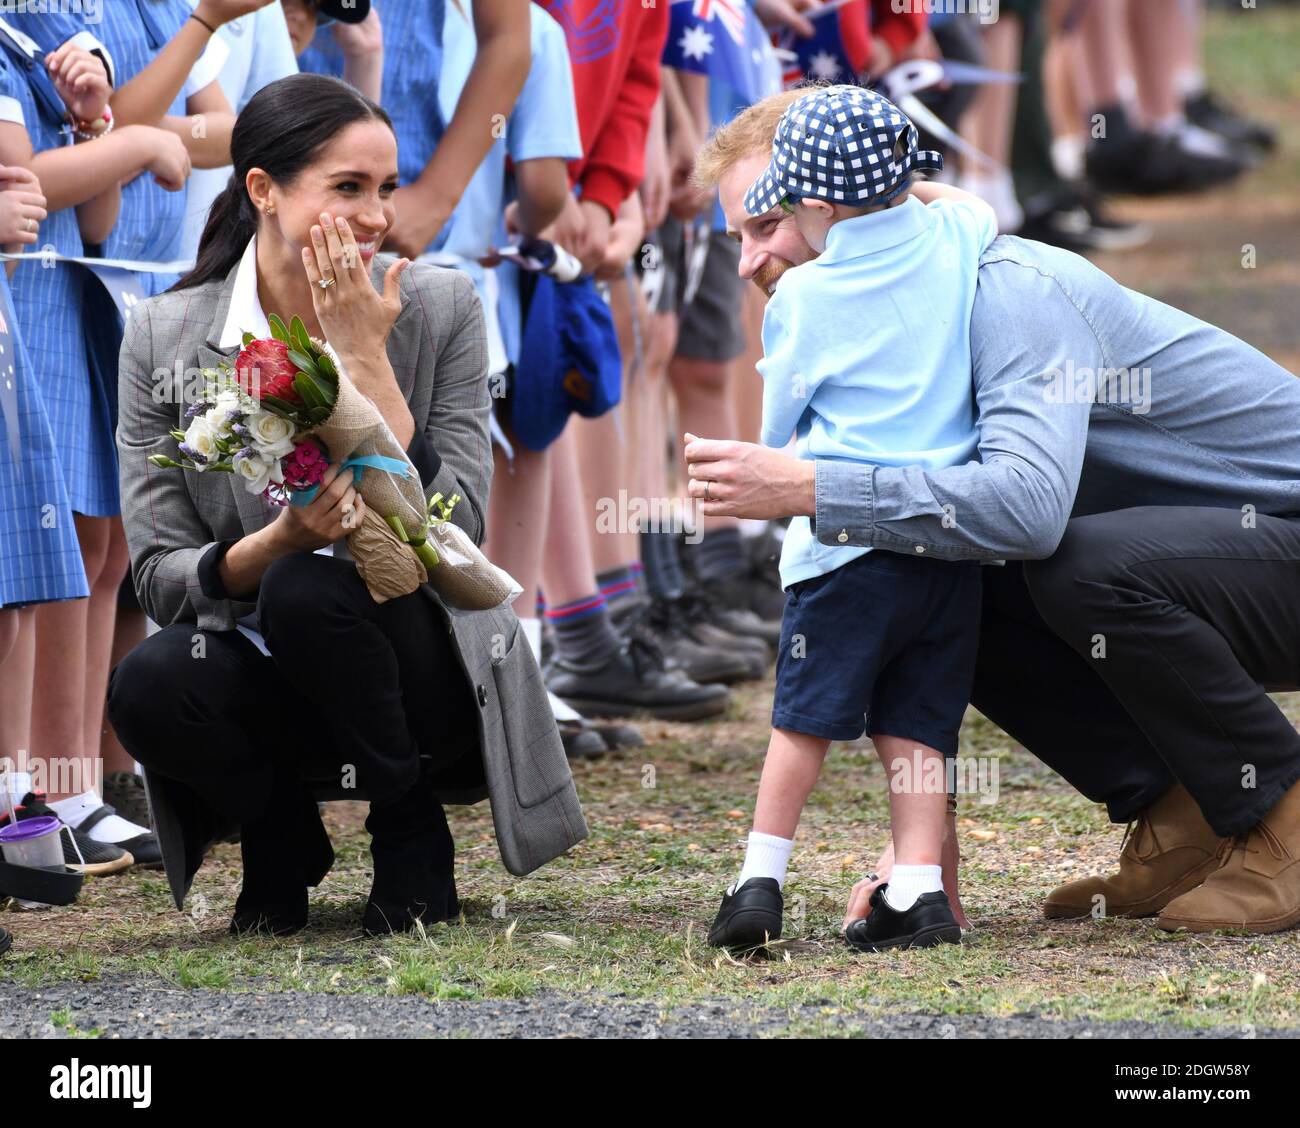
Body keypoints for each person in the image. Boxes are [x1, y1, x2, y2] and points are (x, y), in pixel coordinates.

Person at [688, 89, 1300, 937]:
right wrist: (923, 866)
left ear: (834, 205)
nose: (752, 261)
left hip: (1285, 540)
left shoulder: (1006, 291)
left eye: (769, 225)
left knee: (1071, 561)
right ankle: (1185, 815)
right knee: (928, 569)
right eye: (738, 238)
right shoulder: (902, 316)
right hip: (1228, 561)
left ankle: (1284, 821)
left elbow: (1024, 515)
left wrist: (811, 488)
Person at [106, 74, 585, 937]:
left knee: (311, 593)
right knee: (150, 680)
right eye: (349, 188)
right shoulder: (164, 336)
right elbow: (158, 577)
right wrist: (275, 543)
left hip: (419, 665)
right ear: (264, 189)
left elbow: (459, 528)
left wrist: (368, 367)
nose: (376, 218)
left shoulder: (435, 306)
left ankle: (409, 828)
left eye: (387, 189)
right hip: (259, 671)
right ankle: (279, 830)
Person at [705, 87, 995, 954]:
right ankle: (918, 892)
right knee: (918, 727)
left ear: (818, 206)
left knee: (804, 720)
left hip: (842, 549)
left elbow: (777, 426)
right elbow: (969, 204)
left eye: (786, 205)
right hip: (944, 544)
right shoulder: (955, 238)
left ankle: (760, 878)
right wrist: (907, 185)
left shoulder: (810, 295)